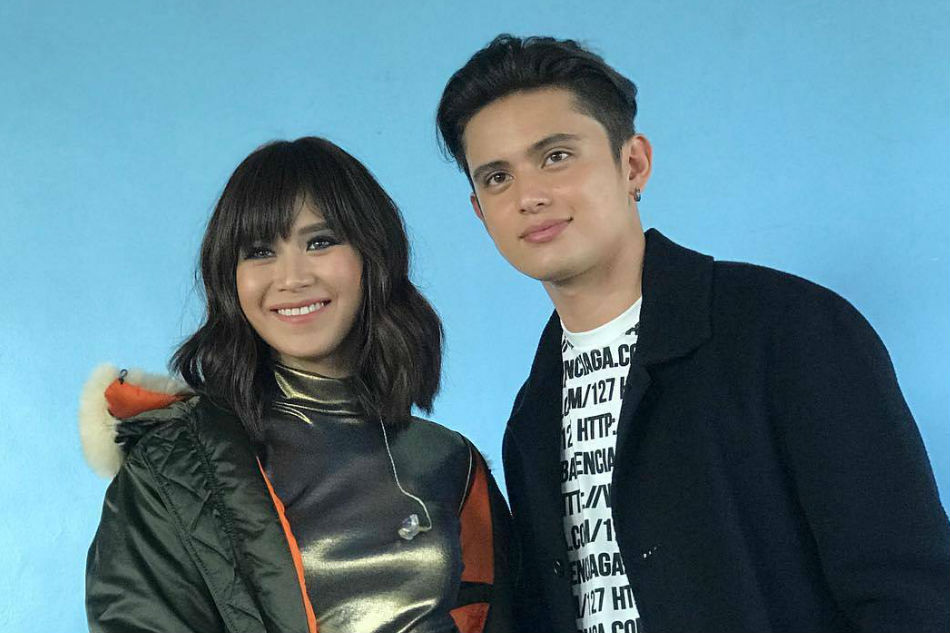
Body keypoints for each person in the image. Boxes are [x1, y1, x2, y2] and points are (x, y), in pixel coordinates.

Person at [436, 34, 950, 633]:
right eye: (498, 177)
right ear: (481, 211)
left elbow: (910, 592)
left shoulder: (788, 329)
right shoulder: (532, 417)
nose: (530, 196)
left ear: (633, 164)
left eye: (556, 156)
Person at [80, 136, 514, 633]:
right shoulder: (172, 467)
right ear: (230, 279)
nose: (291, 278)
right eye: (260, 251)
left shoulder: (450, 462)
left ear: (373, 255)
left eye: (320, 242)